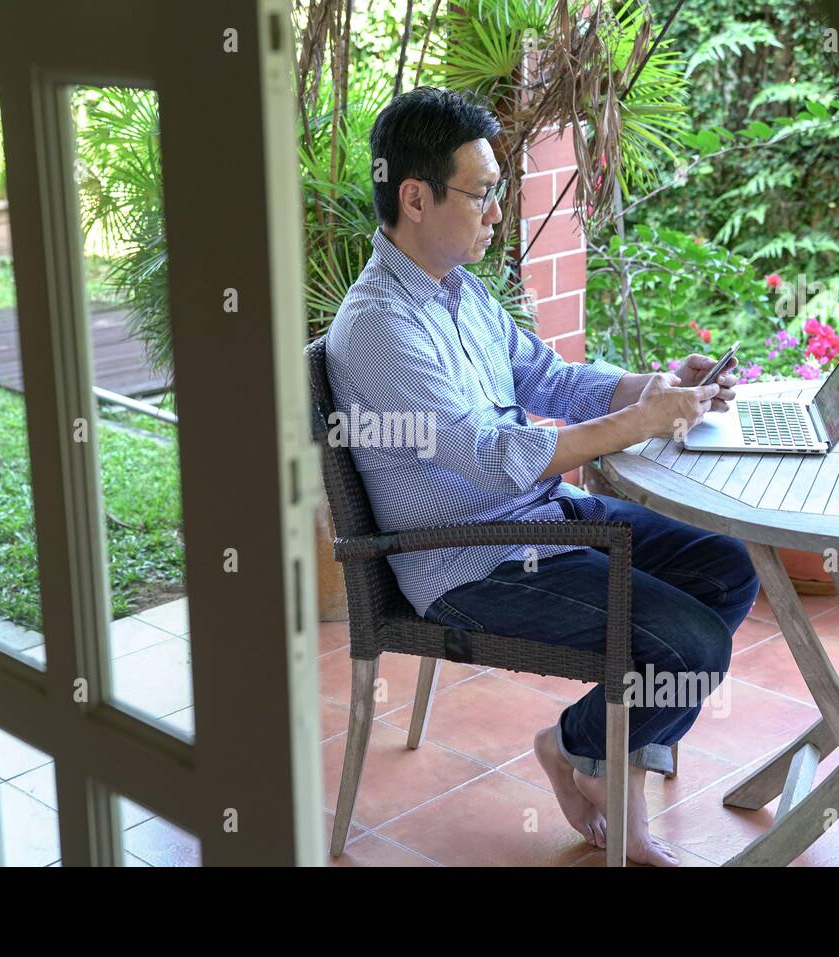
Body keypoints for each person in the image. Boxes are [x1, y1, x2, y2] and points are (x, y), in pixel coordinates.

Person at [325, 87, 760, 867]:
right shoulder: (379, 328)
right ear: (416, 197)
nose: (497, 211)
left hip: (544, 517)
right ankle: (579, 751)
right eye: (483, 193)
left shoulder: (459, 291)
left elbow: (551, 379)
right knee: (689, 649)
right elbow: (490, 455)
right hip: (471, 558)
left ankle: (595, 754)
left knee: (726, 570)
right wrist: (634, 426)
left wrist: (654, 386)